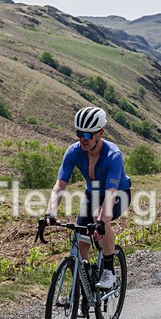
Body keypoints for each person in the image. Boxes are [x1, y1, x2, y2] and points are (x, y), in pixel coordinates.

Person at [44, 106, 132, 290]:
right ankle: (88, 277)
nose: (82, 139)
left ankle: (109, 270)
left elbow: (111, 192)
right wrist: (50, 212)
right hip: (92, 193)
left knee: (99, 218)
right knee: (81, 240)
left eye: (87, 134)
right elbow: (60, 185)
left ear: (100, 133)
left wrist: (101, 220)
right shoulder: (73, 151)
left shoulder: (113, 155)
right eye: (79, 133)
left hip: (118, 193)